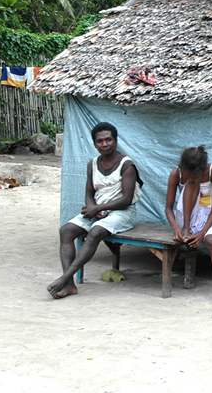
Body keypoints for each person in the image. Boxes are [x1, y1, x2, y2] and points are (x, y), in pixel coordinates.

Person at [47, 122, 142, 299]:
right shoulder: (92, 164)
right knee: (66, 231)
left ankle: (65, 278)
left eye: (108, 140)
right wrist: (92, 207)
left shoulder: (127, 165)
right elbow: (89, 192)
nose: (104, 144)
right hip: (98, 210)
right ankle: (70, 286)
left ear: (115, 140)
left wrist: (99, 208)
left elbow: (126, 200)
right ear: (95, 143)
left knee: (95, 231)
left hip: (123, 212)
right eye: (100, 141)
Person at [165, 146, 212, 304]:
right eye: (189, 174)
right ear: (183, 168)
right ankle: (187, 228)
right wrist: (177, 230)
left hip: (208, 217)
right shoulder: (176, 174)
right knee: (190, 186)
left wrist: (202, 234)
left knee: (211, 241)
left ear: (202, 169)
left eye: (196, 175)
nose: (192, 177)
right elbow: (168, 208)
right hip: (184, 219)